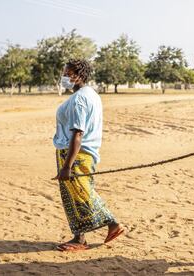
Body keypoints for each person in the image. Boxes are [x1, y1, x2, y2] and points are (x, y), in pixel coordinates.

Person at [52, 59, 124, 251]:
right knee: (76, 195)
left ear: (79, 75)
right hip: (80, 154)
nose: (64, 77)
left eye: (68, 73)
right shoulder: (90, 94)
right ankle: (80, 236)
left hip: (76, 154)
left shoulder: (79, 99)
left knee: (81, 193)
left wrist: (67, 166)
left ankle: (110, 224)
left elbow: (77, 133)